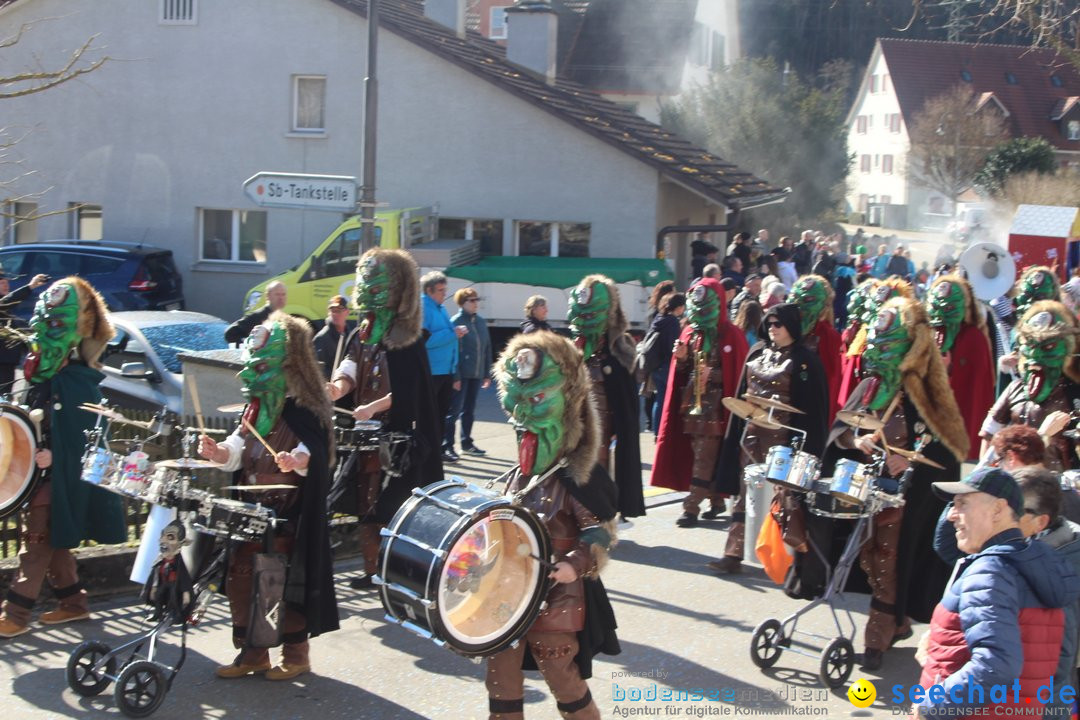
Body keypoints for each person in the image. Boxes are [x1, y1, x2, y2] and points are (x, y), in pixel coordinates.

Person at [817, 297, 968, 671]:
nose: (876, 352)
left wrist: (911, 456)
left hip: (904, 495)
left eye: (886, 346)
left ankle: (876, 637)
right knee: (866, 556)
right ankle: (897, 620)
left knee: (888, 559)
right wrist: (856, 441)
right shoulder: (870, 385)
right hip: (865, 488)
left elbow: (944, 446)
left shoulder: (929, 390)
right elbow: (842, 429)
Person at [486, 332, 620, 720]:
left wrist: (574, 565)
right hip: (510, 591)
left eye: (537, 400)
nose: (523, 414)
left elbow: (599, 532)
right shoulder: (518, 475)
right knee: (501, 675)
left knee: (560, 673)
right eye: (519, 402)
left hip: (557, 596)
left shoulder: (577, 477)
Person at [198, 311, 338, 680]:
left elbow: (317, 452)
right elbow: (237, 447)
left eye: (263, 368)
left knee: (282, 581)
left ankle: (296, 654)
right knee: (241, 577)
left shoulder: (306, 407)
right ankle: (253, 653)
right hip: (251, 511)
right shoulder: (255, 408)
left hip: (288, 513)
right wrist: (219, 454)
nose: (252, 375)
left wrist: (298, 460)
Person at [0, 278, 126, 638]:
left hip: (55, 476)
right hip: (35, 474)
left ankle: (16, 614)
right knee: (51, 541)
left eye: (55, 326)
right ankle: (73, 603)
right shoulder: (42, 376)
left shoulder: (78, 382)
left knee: (36, 541)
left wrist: (54, 455)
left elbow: (85, 437)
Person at [913, 468, 1080, 718]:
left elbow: (997, 664)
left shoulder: (991, 572)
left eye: (963, 504)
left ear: (998, 509)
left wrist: (932, 707)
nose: (952, 515)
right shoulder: (1037, 562)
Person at [326, 248, 444, 589]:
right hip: (363, 440)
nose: (366, 294)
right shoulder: (360, 333)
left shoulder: (408, 342)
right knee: (366, 503)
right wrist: (337, 388)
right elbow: (350, 364)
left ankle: (398, 574)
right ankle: (371, 570)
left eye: (375, 288)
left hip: (397, 443)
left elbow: (410, 395)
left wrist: (373, 408)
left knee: (397, 506)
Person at [711, 303, 829, 573]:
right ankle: (733, 553)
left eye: (778, 324)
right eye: (770, 324)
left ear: (791, 327)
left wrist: (806, 450)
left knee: (785, 500)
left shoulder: (805, 360)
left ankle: (788, 559)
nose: (772, 329)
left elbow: (814, 408)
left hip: (784, 440)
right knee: (744, 495)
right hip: (752, 436)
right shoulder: (756, 351)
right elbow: (742, 393)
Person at [651, 277, 749, 527]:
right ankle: (716, 500)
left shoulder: (731, 334)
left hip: (716, 407)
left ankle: (691, 508)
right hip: (692, 405)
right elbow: (683, 370)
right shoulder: (689, 332)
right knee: (700, 454)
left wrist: (713, 374)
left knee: (704, 456)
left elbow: (739, 374)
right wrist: (682, 358)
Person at [567, 275, 644, 521]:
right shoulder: (571, 347)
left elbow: (625, 390)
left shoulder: (620, 347)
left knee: (597, 466)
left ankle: (602, 514)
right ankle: (581, 513)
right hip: (574, 422)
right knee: (575, 468)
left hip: (602, 423)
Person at [980, 301, 1080, 472]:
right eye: (1030, 345)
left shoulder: (1074, 390)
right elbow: (989, 436)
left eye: (1048, 347)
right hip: (1019, 482)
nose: (1036, 355)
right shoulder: (1016, 388)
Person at [927, 275, 995, 461]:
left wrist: (948, 369)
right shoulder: (929, 334)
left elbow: (977, 391)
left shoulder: (973, 338)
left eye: (948, 308)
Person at [420, 271, 467, 463]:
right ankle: (428, 452)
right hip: (432, 371)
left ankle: (436, 452)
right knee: (430, 416)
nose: (444, 294)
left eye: (444, 290)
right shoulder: (424, 307)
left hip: (444, 370)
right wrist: (453, 334)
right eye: (440, 290)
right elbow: (425, 340)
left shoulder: (439, 307)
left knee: (440, 414)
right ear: (429, 291)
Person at [789, 274, 843, 423]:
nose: (800, 306)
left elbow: (829, 382)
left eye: (808, 300)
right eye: (796, 298)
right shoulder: (785, 327)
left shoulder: (829, 336)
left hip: (810, 407)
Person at [449, 288, 492, 456]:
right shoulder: (456, 321)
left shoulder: (480, 321)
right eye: (471, 300)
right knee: (453, 411)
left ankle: (467, 442)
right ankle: (448, 445)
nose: (476, 303)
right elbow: (454, 352)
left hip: (476, 373)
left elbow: (486, 348)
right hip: (462, 374)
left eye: (477, 300)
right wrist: (456, 377)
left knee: (469, 410)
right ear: (462, 303)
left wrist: (486, 373)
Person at [0, 272, 49, 391]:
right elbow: (7, 301)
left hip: (7, 358)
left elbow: (17, 325)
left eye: (6, 282)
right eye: (2, 283)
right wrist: (30, 286)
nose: (6, 285)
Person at [647, 292, 685, 438]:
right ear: (679, 307)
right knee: (666, 401)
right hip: (666, 365)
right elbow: (672, 346)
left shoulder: (659, 318)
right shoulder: (673, 322)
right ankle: (664, 432)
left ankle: (657, 432)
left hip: (655, 365)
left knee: (659, 399)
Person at [312, 295, 353, 380]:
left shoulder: (350, 335)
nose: (335, 314)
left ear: (347, 312)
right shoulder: (321, 338)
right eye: (332, 311)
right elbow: (317, 369)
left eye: (339, 310)